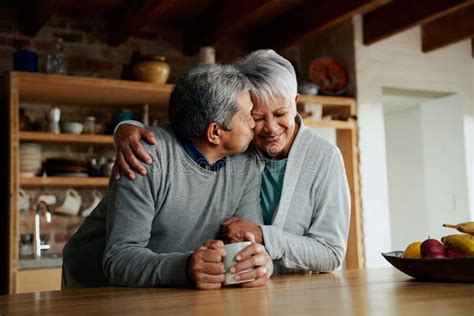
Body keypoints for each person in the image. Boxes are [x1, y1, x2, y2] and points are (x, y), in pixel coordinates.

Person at [114, 50, 350, 274]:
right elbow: (192, 124)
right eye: (255, 117)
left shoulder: (324, 158)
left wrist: (262, 236)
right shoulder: (239, 149)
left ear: (295, 101)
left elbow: (331, 252)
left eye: (280, 114)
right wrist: (126, 129)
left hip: (287, 288)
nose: (270, 128)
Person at [62, 63, 272, 290]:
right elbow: (119, 259)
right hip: (93, 285)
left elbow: (246, 243)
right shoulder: (145, 155)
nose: (255, 122)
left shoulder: (246, 164)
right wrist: (185, 268)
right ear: (214, 132)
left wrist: (260, 264)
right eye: (247, 116)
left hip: (169, 286)